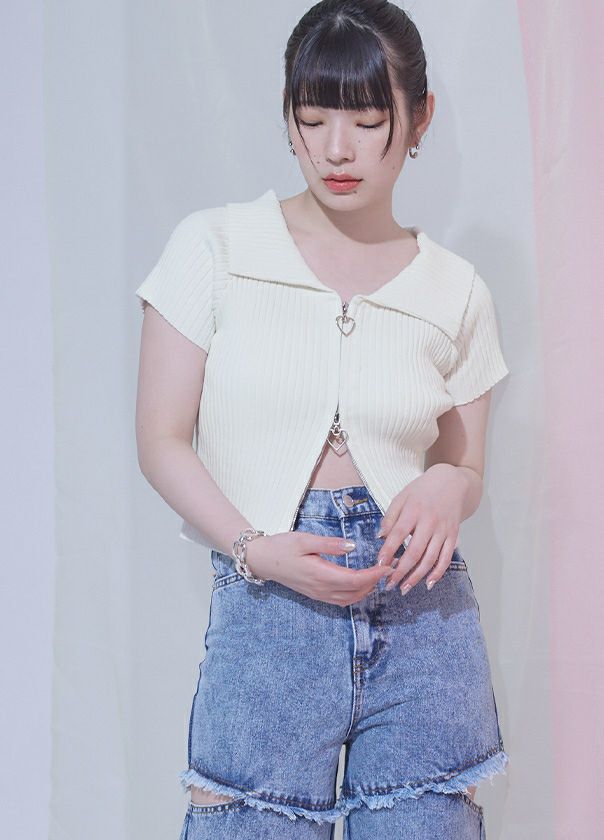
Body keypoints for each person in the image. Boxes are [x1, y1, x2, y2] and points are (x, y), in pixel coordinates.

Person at [135, 1, 510, 837]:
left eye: (368, 121)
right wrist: (253, 548)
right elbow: (160, 439)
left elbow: (466, 467)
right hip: (268, 609)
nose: (336, 149)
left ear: (420, 117)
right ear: (287, 115)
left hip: (423, 619)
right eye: (313, 117)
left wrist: (449, 486)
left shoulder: (456, 290)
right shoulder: (215, 249)